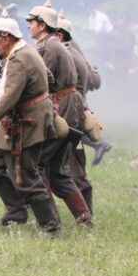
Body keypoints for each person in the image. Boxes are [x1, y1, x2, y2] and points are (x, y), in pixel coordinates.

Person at [0, 15, 61, 233]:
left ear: (6, 37)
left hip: (26, 124)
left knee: (25, 178)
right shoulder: (24, 52)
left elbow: (9, 98)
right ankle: (16, 211)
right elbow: (48, 79)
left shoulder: (20, 59)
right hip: (18, 120)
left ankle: (50, 227)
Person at [25, 1, 91, 224]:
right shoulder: (54, 45)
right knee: (58, 169)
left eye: (32, 22)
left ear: (42, 25)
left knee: (37, 163)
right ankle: (84, 216)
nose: (28, 26)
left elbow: (42, 82)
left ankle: (47, 218)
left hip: (62, 107)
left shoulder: (50, 48)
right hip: (67, 106)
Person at [55, 13, 100, 214]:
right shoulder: (72, 53)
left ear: (59, 35)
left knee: (74, 169)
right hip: (72, 111)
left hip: (71, 113)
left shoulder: (69, 56)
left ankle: (85, 215)